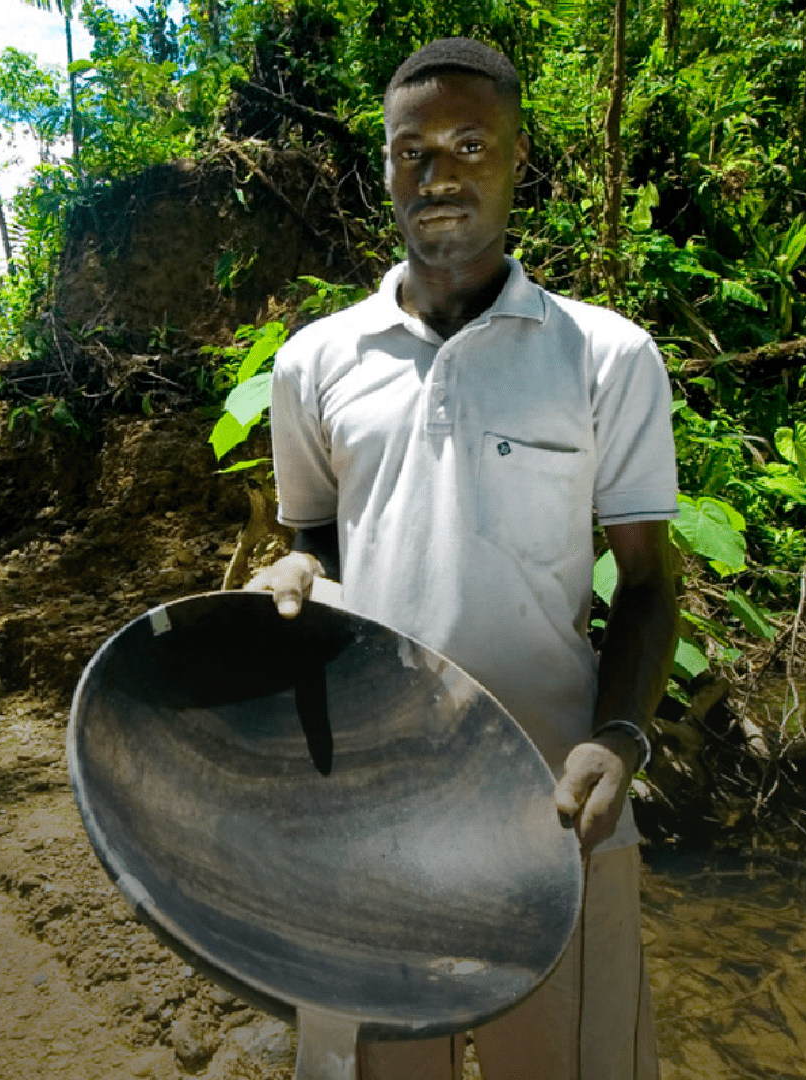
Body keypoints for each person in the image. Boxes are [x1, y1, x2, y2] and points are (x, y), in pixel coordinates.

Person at [247, 36, 675, 1080]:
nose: (438, 174)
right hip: (374, 801)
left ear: (519, 156)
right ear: (386, 169)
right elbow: (316, 548)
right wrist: (295, 579)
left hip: (557, 810)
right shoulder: (314, 362)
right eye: (412, 151)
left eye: (469, 143)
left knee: (574, 1062)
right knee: (384, 1064)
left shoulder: (605, 355)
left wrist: (618, 740)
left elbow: (652, 578)